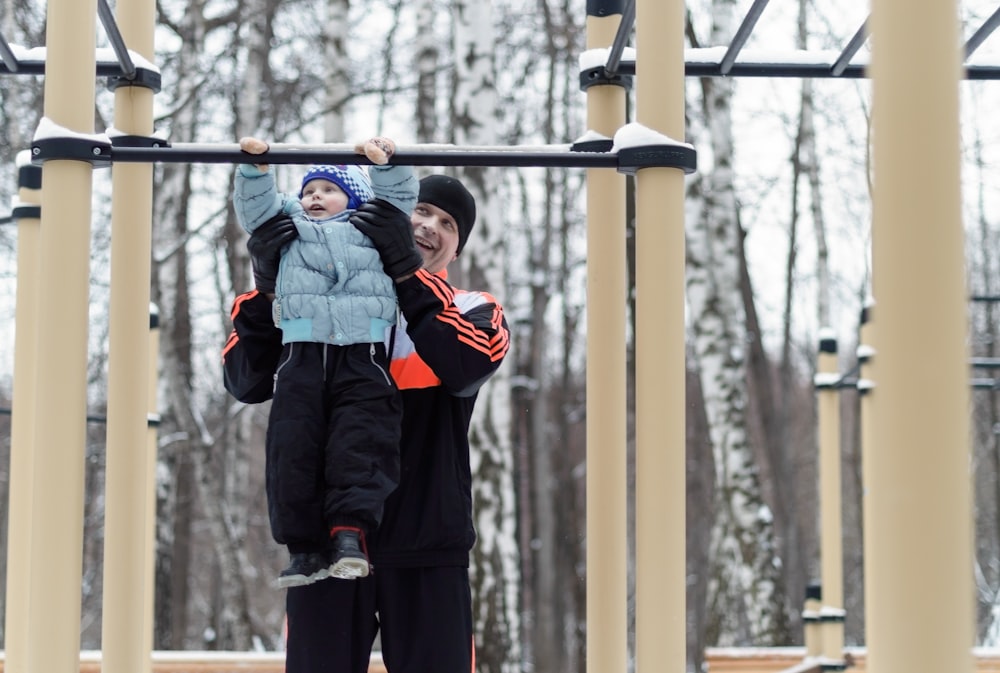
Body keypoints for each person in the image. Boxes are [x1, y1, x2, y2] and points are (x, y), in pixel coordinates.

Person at [223, 174, 509, 672]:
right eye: (420, 211)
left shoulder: (472, 309)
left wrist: (403, 272)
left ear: (456, 250)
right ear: (387, 211)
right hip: (329, 548)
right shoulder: (306, 300)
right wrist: (269, 288)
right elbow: (245, 381)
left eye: (447, 224)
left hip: (428, 547)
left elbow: (465, 367)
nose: (429, 227)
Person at [232, 136, 419, 588]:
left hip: (362, 353)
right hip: (302, 352)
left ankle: (350, 533)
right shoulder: (291, 225)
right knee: (294, 446)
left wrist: (384, 163)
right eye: (308, 190)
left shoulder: (371, 226)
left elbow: (398, 199)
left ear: (354, 197)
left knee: (359, 442)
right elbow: (256, 211)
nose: (315, 197)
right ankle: (303, 548)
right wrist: (256, 170)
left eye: (327, 190)